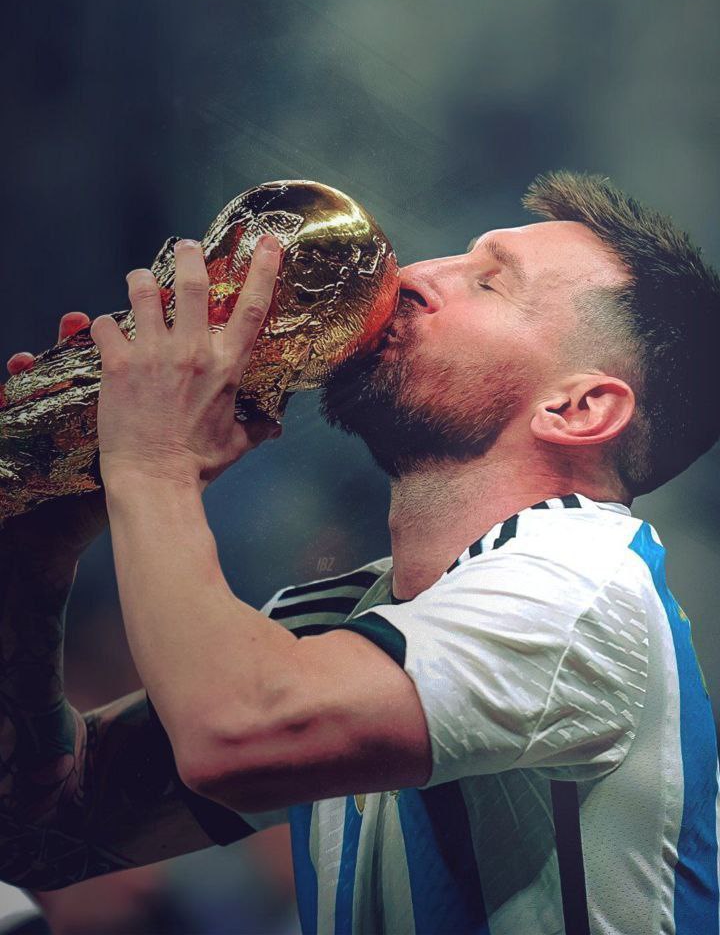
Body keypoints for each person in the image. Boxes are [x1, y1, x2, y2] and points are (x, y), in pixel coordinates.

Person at [1, 169, 719, 935]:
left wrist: (152, 463)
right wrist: (34, 560)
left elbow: (233, 731)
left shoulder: (583, 588)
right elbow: (41, 831)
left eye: (488, 282)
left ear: (579, 409)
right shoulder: (342, 624)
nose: (410, 275)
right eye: (454, 255)